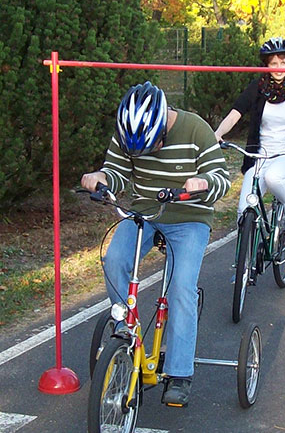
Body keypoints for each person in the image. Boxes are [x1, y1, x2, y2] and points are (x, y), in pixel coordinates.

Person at [81, 82, 230, 408]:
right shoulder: (127, 132)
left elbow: (223, 178)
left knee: (180, 287)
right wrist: (101, 179)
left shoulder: (195, 129)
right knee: (115, 259)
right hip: (144, 213)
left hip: (189, 217)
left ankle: (179, 374)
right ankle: (125, 337)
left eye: (153, 146)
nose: (146, 155)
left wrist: (204, 182)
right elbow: (116, 173)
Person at [214, 37, 285, 241]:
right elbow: (236, 112)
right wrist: (217, 134)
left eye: (283, 62)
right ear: (266, 66)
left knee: (273, 177)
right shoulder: (258, 87)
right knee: (243, 212)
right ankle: (244, 268)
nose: (279, 68)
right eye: (273, 63)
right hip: (259, 156)